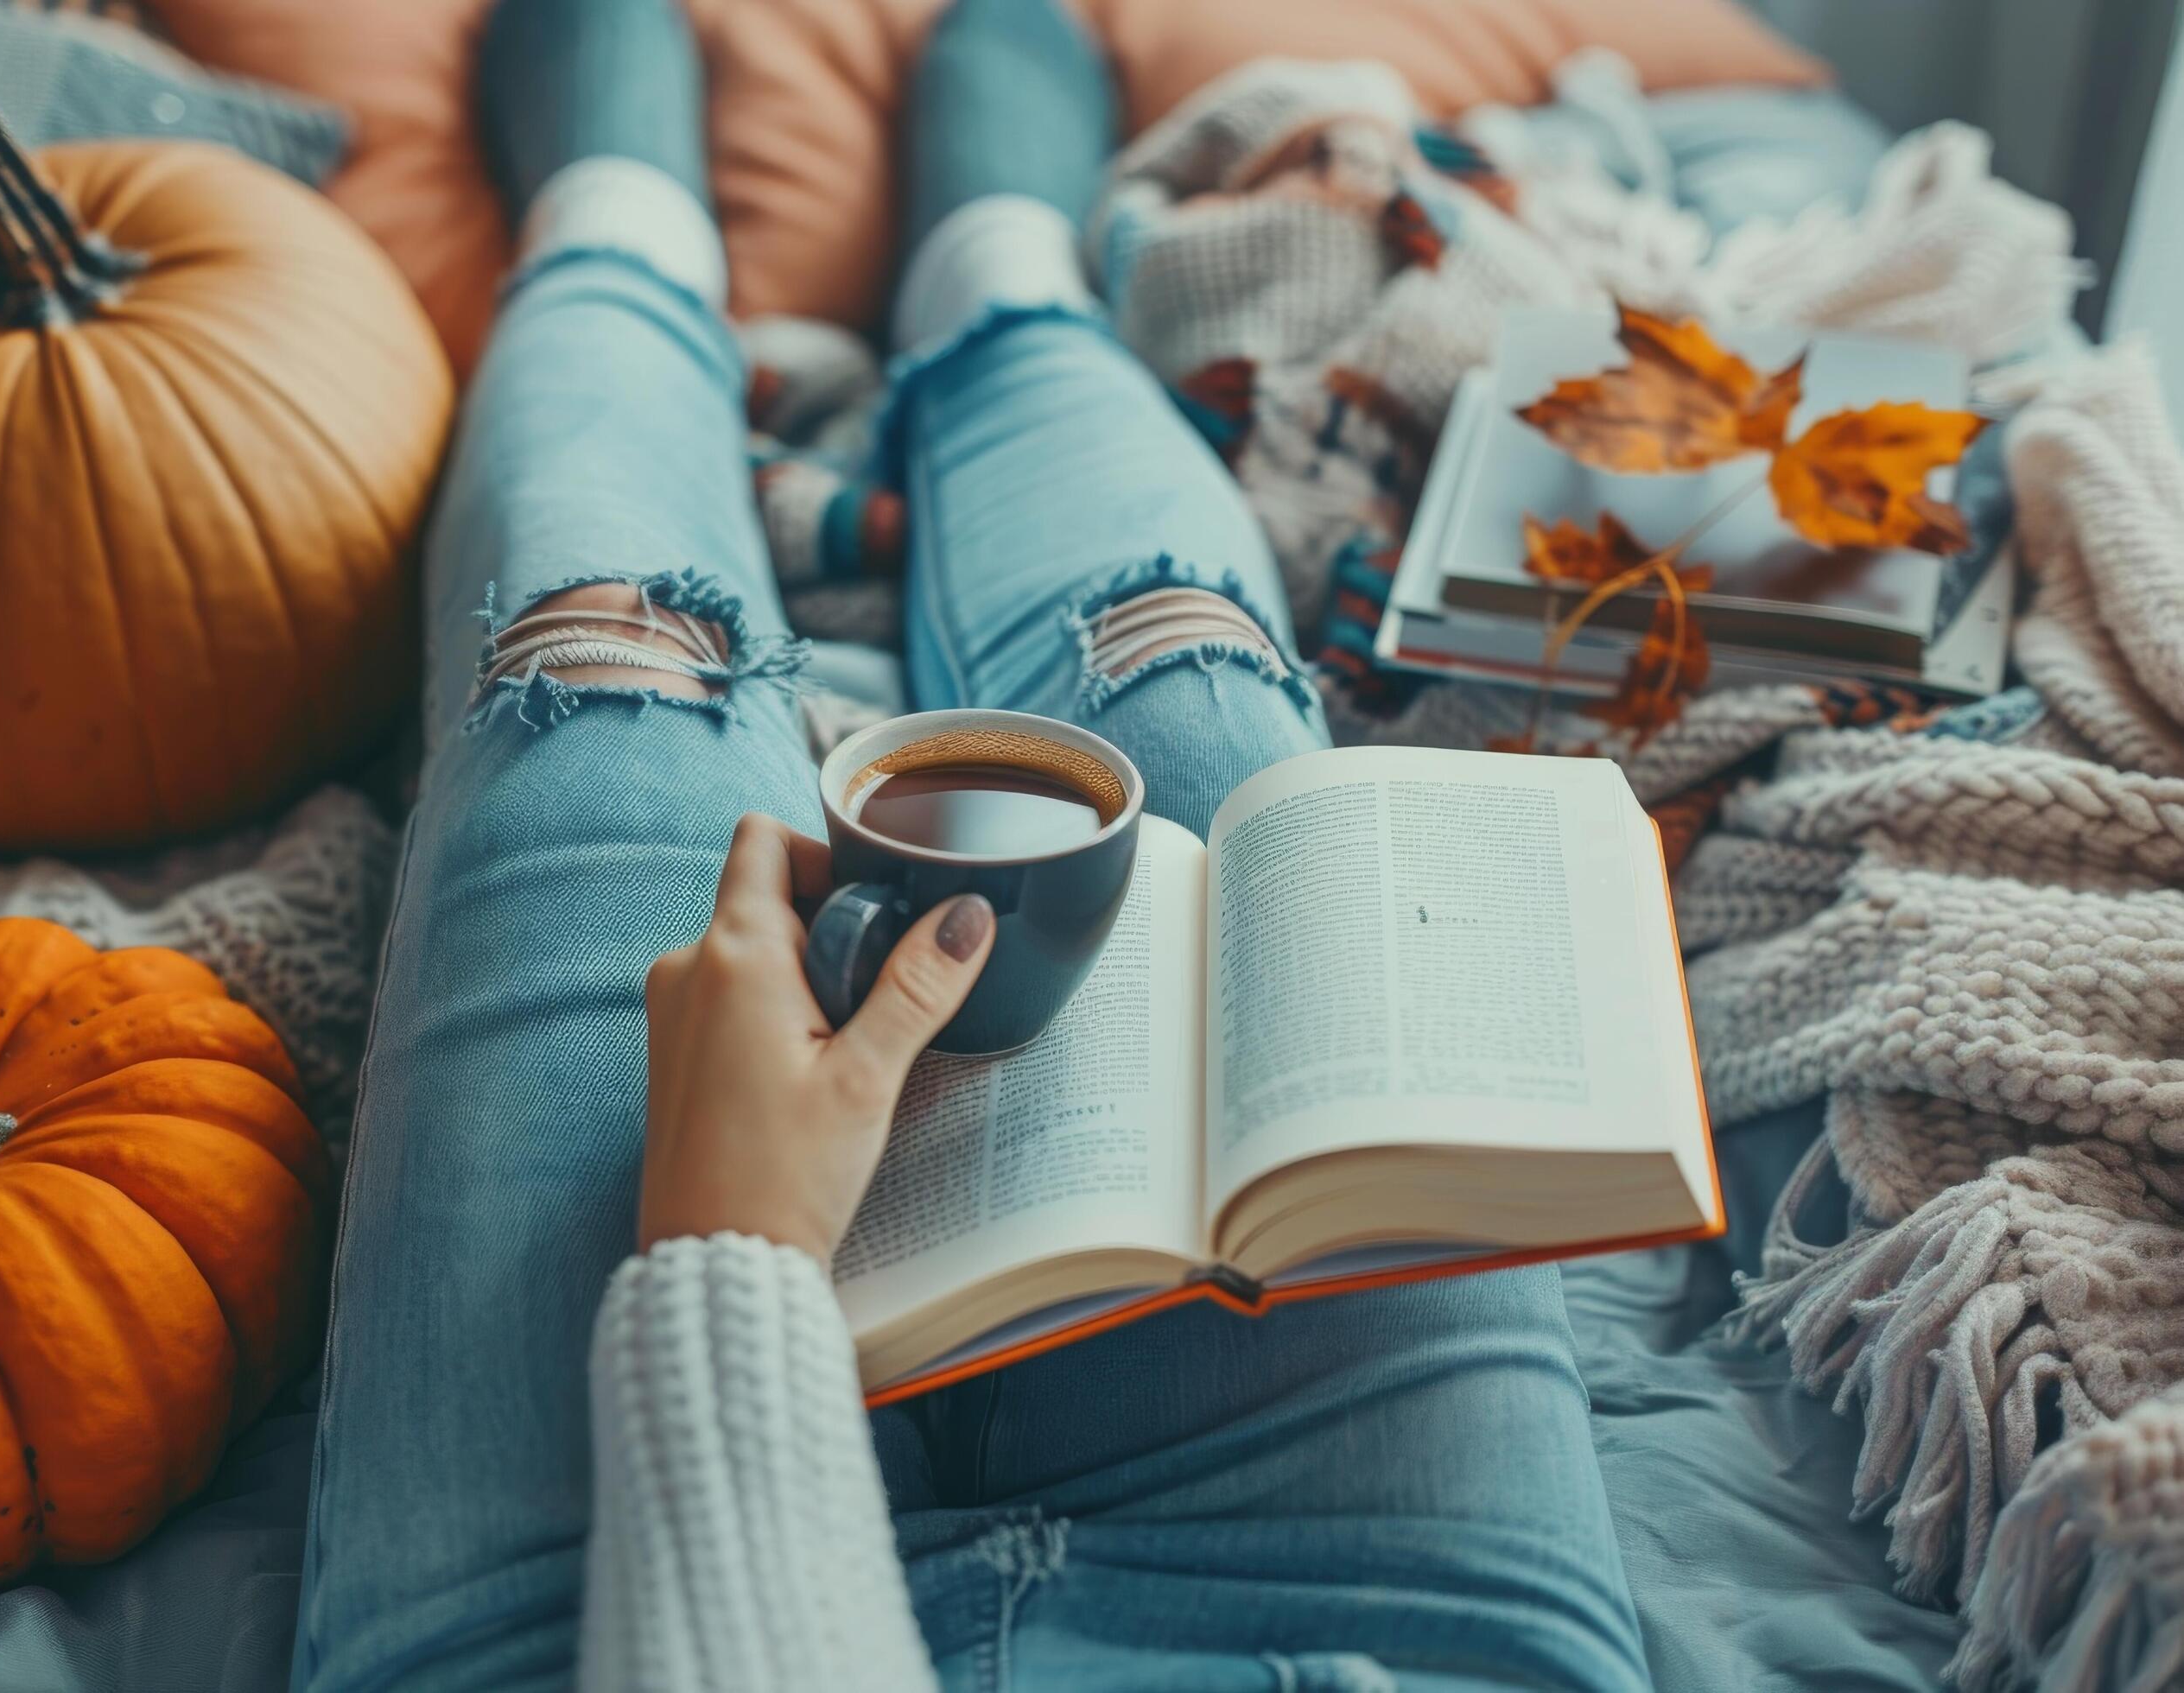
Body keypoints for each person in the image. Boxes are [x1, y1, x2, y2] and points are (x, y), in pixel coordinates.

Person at [292, 0, 1654, 1687]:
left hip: (577, 1633)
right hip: (1371, 1609)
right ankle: (1001, 284)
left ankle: (620, 230)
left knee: (607, 667)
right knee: (1183, 662)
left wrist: (732, 1257)